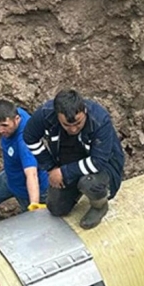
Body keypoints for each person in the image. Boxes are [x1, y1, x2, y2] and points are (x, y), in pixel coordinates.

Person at [23, 89, 125, 229]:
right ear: (57, 116)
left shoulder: (99, 120)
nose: (73, 129)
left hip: (104, 166)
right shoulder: (46, 114)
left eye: (78, 123)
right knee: (56, 208)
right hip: (68, 160)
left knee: (89, 183)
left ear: (84, 111)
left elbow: (98, 162)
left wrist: (63, 173)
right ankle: (75, 191)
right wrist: (50, 166)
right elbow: (29, 137)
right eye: (66, 125)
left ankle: (99, 206)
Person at [0, 100, 50, 227]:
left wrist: (34, 206)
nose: (0, 130)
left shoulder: (24, 143)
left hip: (27, 189)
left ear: (17, 119)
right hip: (11, 176)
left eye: (5, 125)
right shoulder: (16, 113)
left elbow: (31, 175)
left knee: (33, 226)